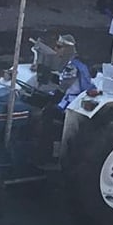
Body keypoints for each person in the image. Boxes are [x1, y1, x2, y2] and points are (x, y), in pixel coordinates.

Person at [36, 34, 93, 164]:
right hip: (70, 97)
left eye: (59, 47)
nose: (56, 49)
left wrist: (51, 101)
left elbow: (64, 87)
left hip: (72, 102)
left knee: (47, 114)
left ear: (67, 49)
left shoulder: (71, 66)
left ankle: (47, 154)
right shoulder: (72, 63)